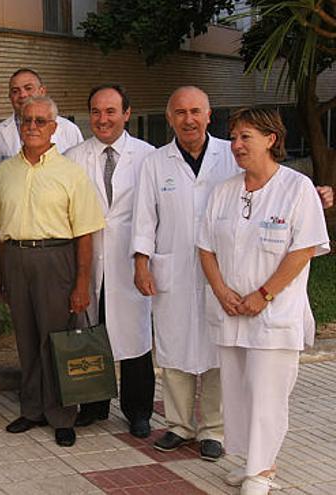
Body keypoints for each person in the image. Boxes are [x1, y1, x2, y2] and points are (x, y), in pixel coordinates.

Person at [197, 108, 330, 494]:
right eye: (234, 137)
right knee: (237, 392)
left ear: (271, 139)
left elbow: (303, 249)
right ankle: (248, 460)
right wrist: (222, 291)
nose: (236, 145)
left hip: (273, 313)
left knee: (268, 392)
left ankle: (263, 470)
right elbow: (206, 248)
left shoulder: (296, 188)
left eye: (245, 137)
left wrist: (263, 294)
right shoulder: (224, 191)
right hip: (231, 311)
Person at [0, 96, 105, 447]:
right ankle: (32, 408)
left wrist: (82, 282)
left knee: (56, 339)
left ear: (54, 127)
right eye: (27, 121)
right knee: (25, 338)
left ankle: (63, 414)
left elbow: (85, 233)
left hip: (57, 259)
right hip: (16, 259)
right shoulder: (5, 172)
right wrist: (1, 276)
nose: (33, 127)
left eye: (40, 121)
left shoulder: (70, 173)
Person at [132, 86, 235, 461]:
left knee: (215, 348)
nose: (188, 119)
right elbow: (144, 217)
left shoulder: (231, 155)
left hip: (220, 271)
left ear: (209, 115)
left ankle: (213, 429)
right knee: (173, 347)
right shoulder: (156, 163)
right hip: (171, 268)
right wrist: (141, 262)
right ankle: (178, 425)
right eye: (180, 112)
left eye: (195, 111)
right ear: (169, 117)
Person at [64, 85, 156, 438]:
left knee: (135, 336)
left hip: (131, 260)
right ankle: (93, 405)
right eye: (96, 112)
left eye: (110, 111)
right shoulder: (74, 156)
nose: (102, 119)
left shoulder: (148, 156)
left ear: (127, 113)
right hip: (89, 260)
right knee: (92, 330)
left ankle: (138, 411)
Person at [0, 68, 83, 161]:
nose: (22, 94)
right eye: (15, 91)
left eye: (28, 88)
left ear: (42, 91)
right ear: (10, 96)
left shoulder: (70, 130)